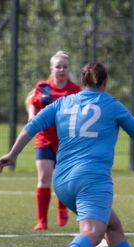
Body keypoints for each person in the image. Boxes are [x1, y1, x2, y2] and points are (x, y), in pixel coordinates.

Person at [0, 62, 134, 247]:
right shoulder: (112, 104)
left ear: (81, 82)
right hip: (92, 180)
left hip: (61, 180)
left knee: (112, 226)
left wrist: (12, 154)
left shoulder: (64, 102)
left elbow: (32, 126)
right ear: (105, 82)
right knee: (93, 230)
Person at [26, 51, 81, 231]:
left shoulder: (75, 91)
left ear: (69, 69)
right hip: (44, 139)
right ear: (52, 69)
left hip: (66, 142)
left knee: (64, 180)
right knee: (43, 178)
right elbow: (32, 102)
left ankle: (62, 207)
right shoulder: (43, 87)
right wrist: (32, 115)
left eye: (65, 67)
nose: (61, 70)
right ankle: (42, 221)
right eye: (58, 67)